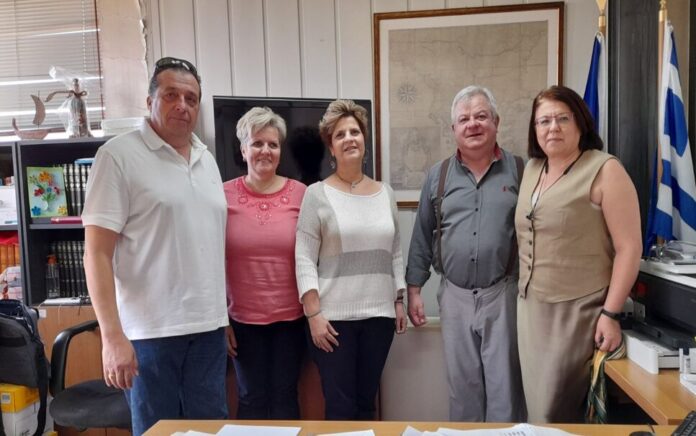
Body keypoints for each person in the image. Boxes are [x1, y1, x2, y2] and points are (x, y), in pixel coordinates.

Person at [82, 57, 229, 436]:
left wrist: (222, 318)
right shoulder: (117, 157)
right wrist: (112, 336)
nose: (182, 105)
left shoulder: (207, 159)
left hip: (208, 332)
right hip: (149, 335)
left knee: (211, 431)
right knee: (156, 432)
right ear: (150, 101)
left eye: (191, 98)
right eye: (171, 95)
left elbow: (207, 245)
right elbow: (96, 253)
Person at [515, 85, 641, 423]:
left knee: (557, 411)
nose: (552, 128)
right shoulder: (532, 168)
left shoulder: (605, 170)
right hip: (531, 309)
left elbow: (629, 248)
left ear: (580, 123)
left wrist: (610, 314)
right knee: (537, 411)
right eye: (543, 121)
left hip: (579, 312)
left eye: (562, 119)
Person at [406, 86, 526, 422]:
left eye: (481, 116)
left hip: (503, 294)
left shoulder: (521, 171)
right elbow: (422, 235)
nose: (473, 124)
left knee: (505, 389)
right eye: (464, 119)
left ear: (496, 122)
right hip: (454, 295)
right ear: (454, 129)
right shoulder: (438, 175)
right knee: (463, 390)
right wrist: (414, 290)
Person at [295, 99, 407, 420]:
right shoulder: (316, 194)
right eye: (340, 134)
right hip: (333, 322)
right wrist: (313, 314)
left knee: (366, 404)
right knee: (340, 408)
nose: (349, 139)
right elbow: (303, 258)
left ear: (364, 139)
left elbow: (395, 251)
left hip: (379, 318)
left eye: (355, 132)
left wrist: (398, 300)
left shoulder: (385, 193)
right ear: (331, 147)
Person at [224, 107, 307, 419]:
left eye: (273, 144)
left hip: (291, 320)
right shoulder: (222, 195)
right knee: (251, 399)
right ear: (243, 149)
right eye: (257, 143)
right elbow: (210, 262)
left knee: (286, 398)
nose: (265, 151)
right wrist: (221, 320)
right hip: (242, 322)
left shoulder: (301, 194)